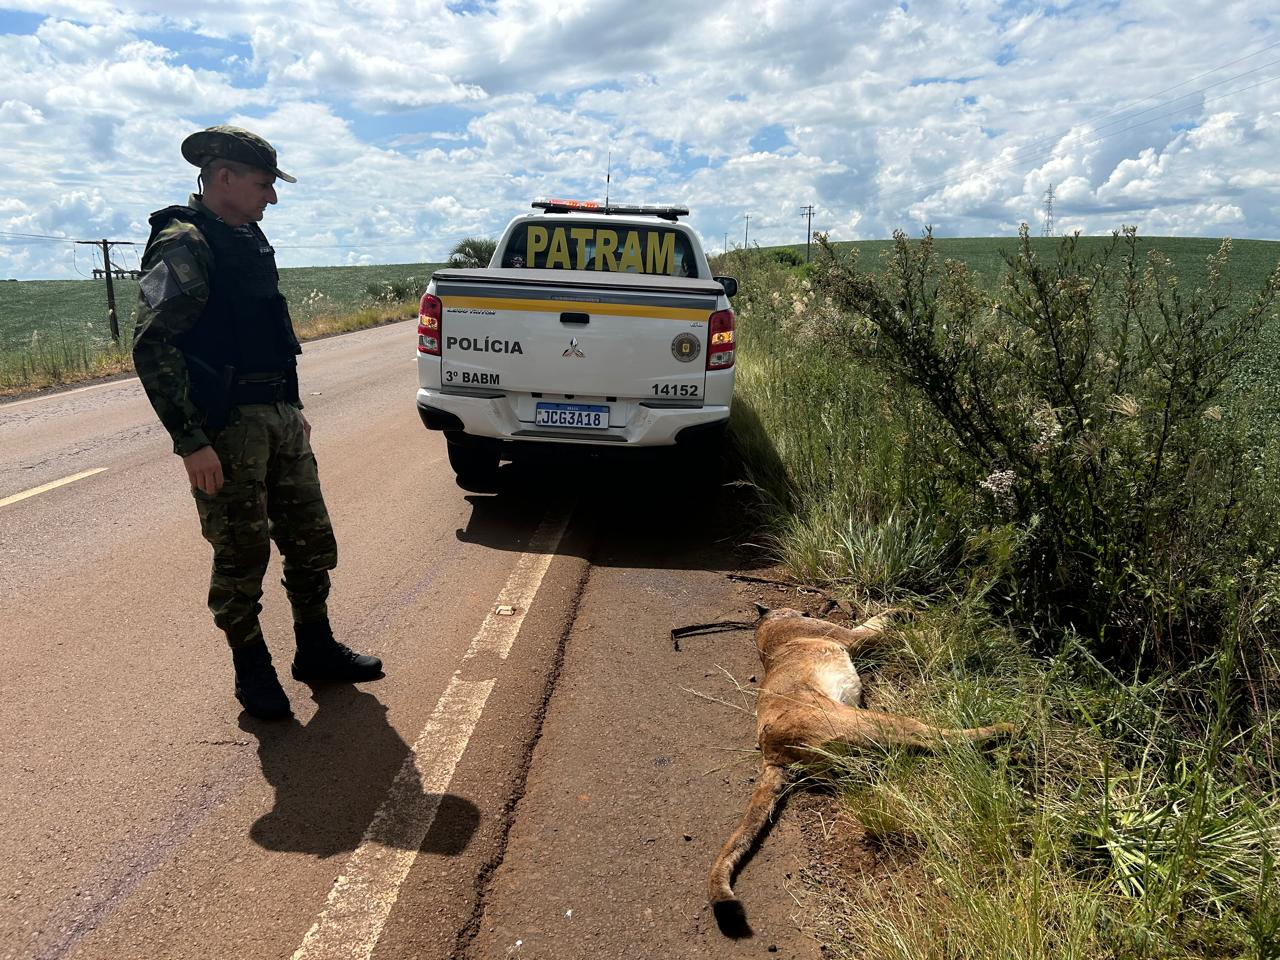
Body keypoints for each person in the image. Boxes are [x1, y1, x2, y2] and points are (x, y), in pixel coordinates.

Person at [132, 125, 382, 721]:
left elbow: (270, 333)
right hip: (226, 427)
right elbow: (153, 345)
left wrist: (291, 409)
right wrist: (191, 441)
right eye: (264, 184)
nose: (271, 198)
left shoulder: (247, 237)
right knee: (241, 554)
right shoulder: (185, 241)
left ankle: (315, 649)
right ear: (223, 178)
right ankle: (252, 669)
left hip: (276, 416)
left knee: (310, 538)